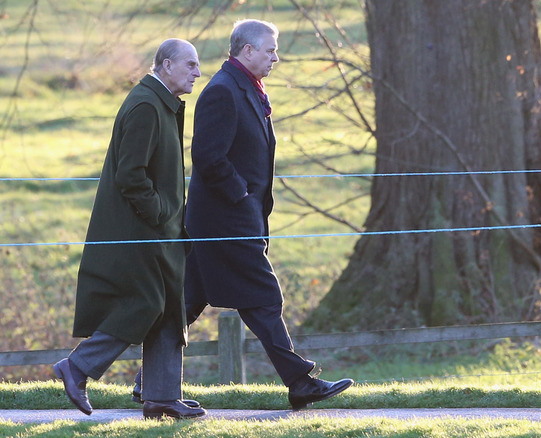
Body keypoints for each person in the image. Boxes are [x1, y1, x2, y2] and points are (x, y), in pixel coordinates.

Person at [181, 19, 353, 410]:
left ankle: (135, 378)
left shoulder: (245, 88)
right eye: (271, 50)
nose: (277, 57)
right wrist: (241, 196)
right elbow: (208, 157)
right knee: (263, 296)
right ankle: (300, 380)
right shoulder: (223, 91)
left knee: (188, 302)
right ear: (247, 51)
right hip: (224, 222)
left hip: (231, 219)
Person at [53, 38, 206, 420]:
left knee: (171, 307)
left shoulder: (161, 103)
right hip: (141, 231)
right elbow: (130, 174)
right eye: (190, 65)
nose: (197, 73)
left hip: (163, 231)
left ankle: (161, 397)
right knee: (146, 304)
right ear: (166, 65)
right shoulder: (145, 105)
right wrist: (158, 213)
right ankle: (78, 367)